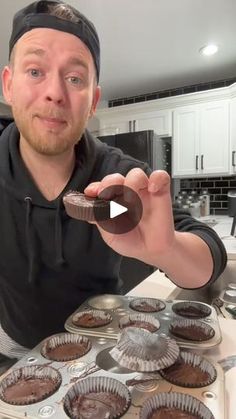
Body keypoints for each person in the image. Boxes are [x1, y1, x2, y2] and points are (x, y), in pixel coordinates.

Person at [0, 0, 226, 360]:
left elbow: (209, 256)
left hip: (104, 349)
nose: (55, 92)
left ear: (93, 101)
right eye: (35, 71)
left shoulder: (117, 177)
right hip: (15, 349)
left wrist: (166, 250)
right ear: (8, 85)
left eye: (75, 78)